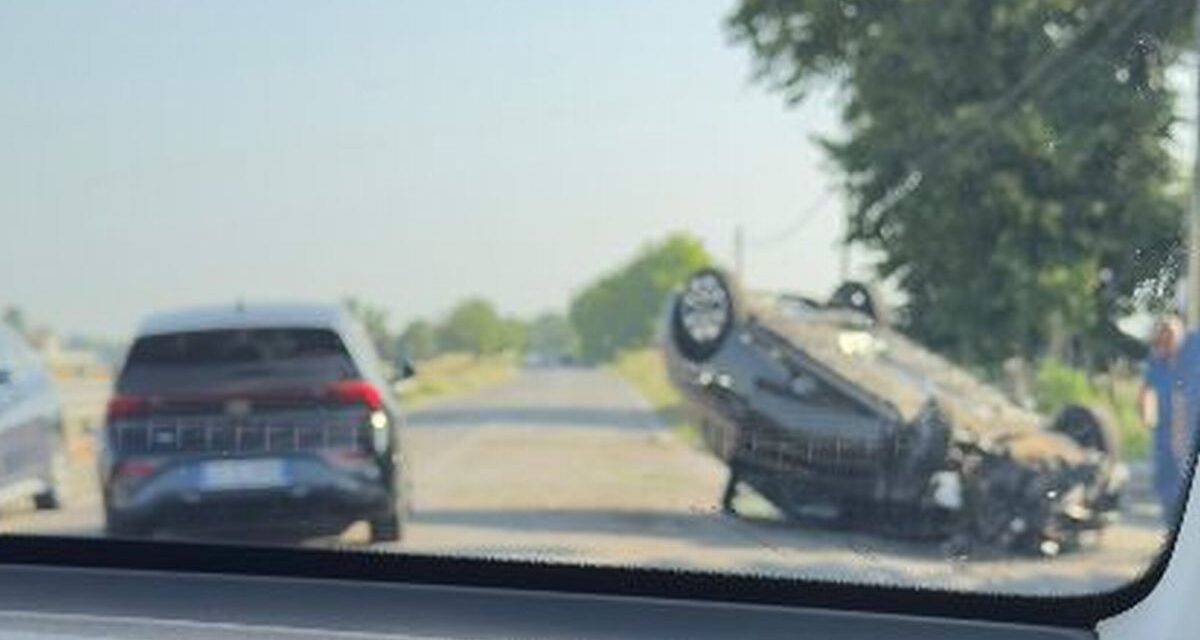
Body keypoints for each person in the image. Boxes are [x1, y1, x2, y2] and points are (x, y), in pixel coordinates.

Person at [1140, 314, 1196, 522]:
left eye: (1170, 335)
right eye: (1162, 337)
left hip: (1190, 427)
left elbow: (1182, 400)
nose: (1167, 341)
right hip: (1164, 428)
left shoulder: (1193, 352)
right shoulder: (1157, 360)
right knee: (1164, 478)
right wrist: (1146, 417)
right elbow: (1146, 389)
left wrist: (1180, 437)